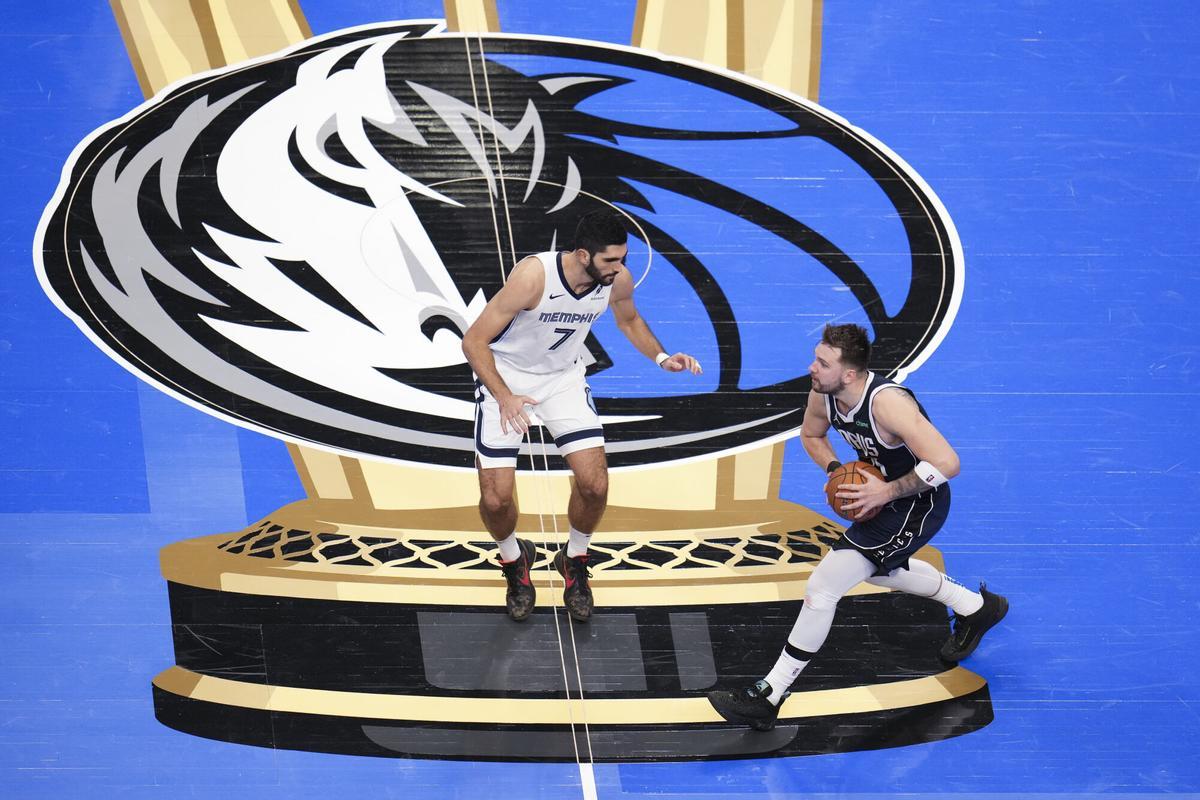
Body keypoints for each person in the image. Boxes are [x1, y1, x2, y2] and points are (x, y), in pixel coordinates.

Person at [707, 323, 1007, 730]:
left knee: (823, 586)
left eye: (822, 362)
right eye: (815, 358)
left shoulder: (889, 404)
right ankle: (976, 607)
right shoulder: (823, 392)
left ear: (849, 374)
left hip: (917, 502)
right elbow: (811, 435)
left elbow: (948, 463)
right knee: (880, 572)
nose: (812, 367)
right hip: (877, 498)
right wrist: (837, 471)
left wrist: (886, 491)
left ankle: (770, 694)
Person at [461, 210, 702, 623]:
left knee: (595, 485)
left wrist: (662, 357)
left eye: (623, 258)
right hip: (507, 377)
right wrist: (504, 396)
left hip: (563, 380)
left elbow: (629, 319)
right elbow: (473, 342)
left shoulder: (616, 280)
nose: (619, 268)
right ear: (583, 255)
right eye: (611, 260)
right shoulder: (534, 277)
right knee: (495, 499)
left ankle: (574, 560)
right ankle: (514, 561)